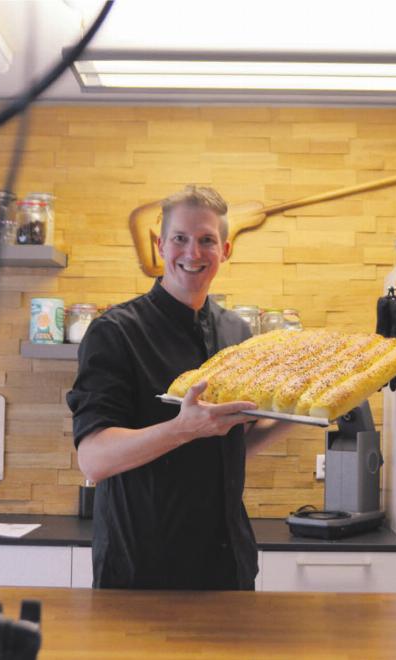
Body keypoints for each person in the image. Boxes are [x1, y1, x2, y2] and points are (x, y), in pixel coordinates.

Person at [66, 185, 289, 591]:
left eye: (207, 240)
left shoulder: (236, 331)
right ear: (160, 244)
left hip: (228, 567)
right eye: (180, 239)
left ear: (225, 250)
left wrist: (299, 417)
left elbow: (229, 445)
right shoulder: (115, 332)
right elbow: (93, 459)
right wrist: (183, 428)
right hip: (143, 569)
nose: (193, 252)